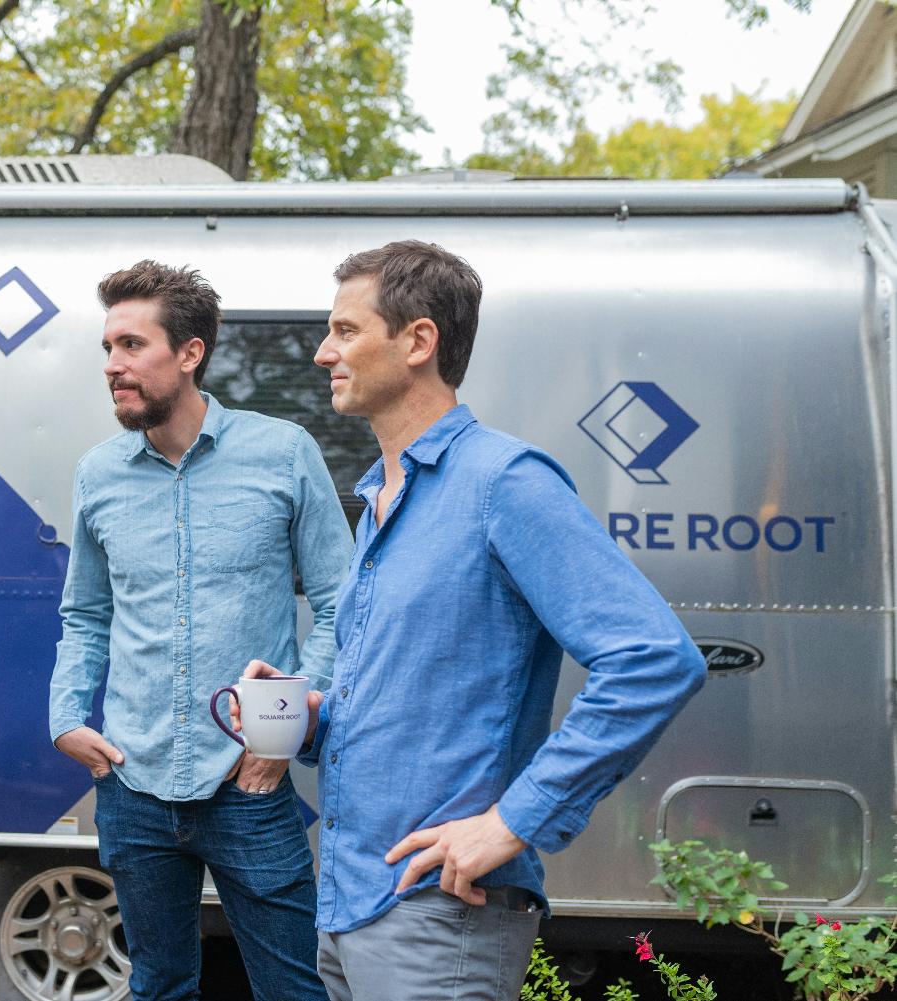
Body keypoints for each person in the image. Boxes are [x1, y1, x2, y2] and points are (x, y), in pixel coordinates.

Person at [246, 240, 706, 1000]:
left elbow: (655, 659)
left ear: (419, 341)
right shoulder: (382, 500)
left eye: (346, 331)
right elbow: (419, 692)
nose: (324, 351)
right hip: (350, 901)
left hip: (440, 912)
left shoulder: (504, 482)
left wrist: (512, 821)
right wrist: (310, 715)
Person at [49, 260, 353, 1001]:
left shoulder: (283, 452)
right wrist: (65, 716)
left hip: (250, 785)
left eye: (131, 345)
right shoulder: (99, 473)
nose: (113, 365)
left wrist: (280, 732)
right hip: (133, 782)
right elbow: (86, 614)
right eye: (108, 348)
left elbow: (344, 602)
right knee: (157, 987)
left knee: (294, 990)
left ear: (190, 353)